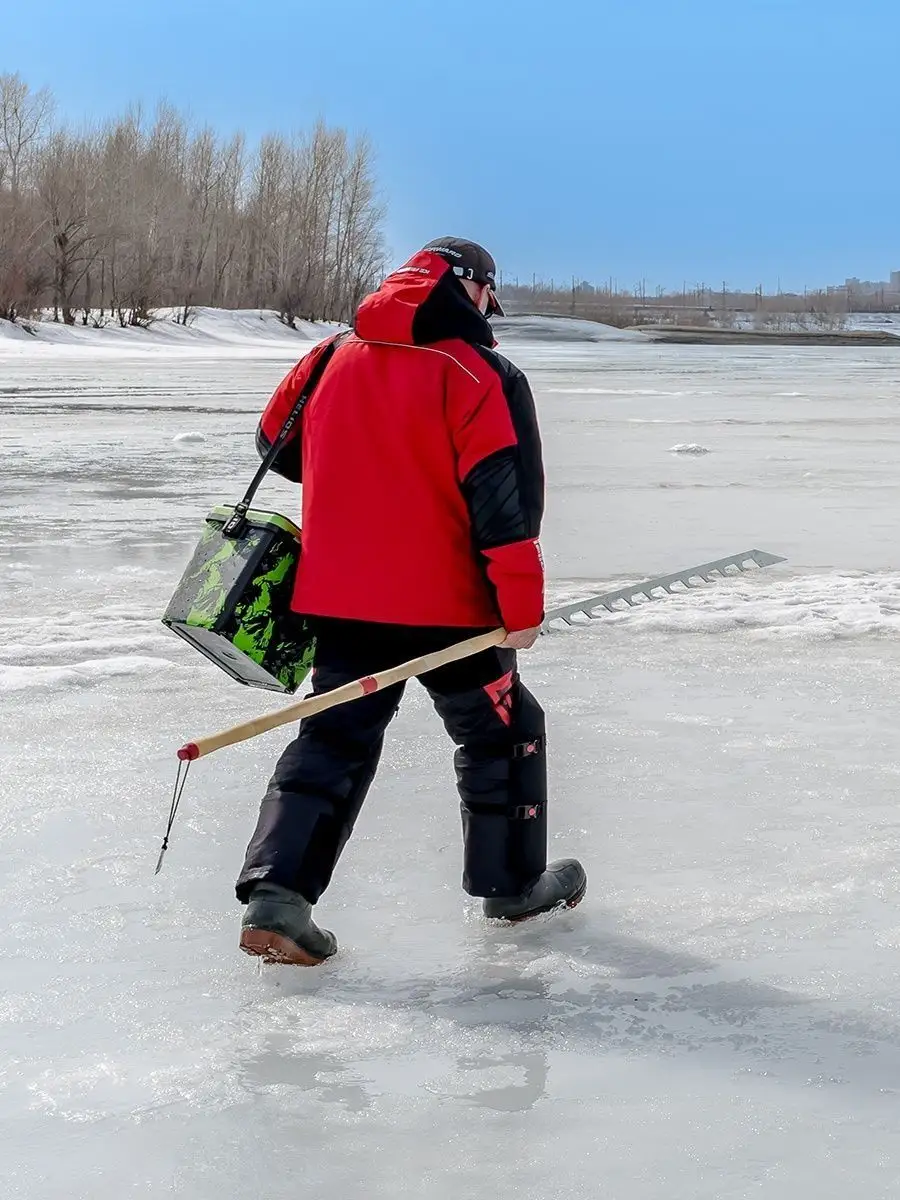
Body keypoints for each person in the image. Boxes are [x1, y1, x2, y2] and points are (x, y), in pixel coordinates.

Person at [236, 237, 586, 965]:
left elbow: (276, 443)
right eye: (491, 295)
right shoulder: (480, 373)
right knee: (503, 731)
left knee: (333, 740)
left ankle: (279, 896)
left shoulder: (330, 355)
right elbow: (508, 509)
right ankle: (513, 886)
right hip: (450, 610)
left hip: (340, 602)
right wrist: (519, 612)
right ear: (473, 290)